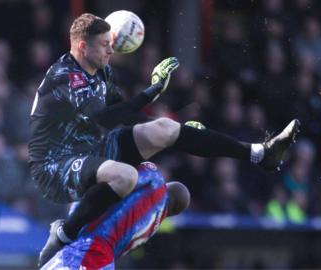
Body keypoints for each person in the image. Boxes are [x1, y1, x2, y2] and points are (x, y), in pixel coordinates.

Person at [29, 13, 300, 266]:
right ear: (82, 48)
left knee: (164, 130)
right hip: (56, 164)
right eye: (103, 45)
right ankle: (64, 234)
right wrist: (158, 99)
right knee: (124, 177)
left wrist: (174, 125)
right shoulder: (65, 76)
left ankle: (260, 153)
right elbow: (107, 118)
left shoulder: (100, 73)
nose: (111, 50)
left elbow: (123, 114)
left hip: (89, 151)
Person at [41, 161, 190, 269]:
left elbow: (123, 175)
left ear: (168, 187)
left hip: (89, 250)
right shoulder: (153, 226)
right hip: (105, 262)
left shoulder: (155, 180)